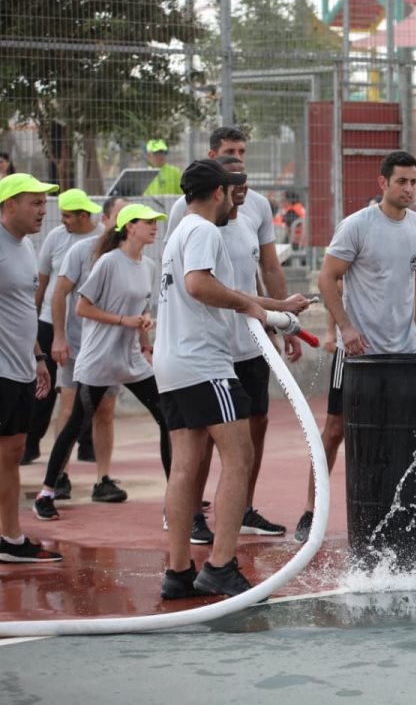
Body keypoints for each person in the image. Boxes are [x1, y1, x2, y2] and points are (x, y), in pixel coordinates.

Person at [155, 159, 308, 599]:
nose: (236, 199)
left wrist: (274, 304)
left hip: (173, 363)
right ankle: (220, 565)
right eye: (231, 190)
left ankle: (178, 571)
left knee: (185, 466)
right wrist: (249, 308)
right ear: (218, 192)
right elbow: (200, 286)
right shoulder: (204, 230)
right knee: (239, 456)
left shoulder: (179, 232)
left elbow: (213, 288)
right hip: (204, 363)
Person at [298, 150, 416, 543]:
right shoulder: (357, 226)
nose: (409, 189)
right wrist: (346, 328)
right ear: (383, 183)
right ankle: (311, 511)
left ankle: (395, 512)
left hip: (404, 353)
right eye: (402, 182)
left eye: (414, 182)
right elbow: (327, 279)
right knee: (336, 429)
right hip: (358, 355)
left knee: (404, 433)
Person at [33, 204, 173, 520]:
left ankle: (177, 497)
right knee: (75, 424)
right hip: (97, 360)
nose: (154, 227)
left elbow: (142, 309)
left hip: (131, 360)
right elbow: (82, 307)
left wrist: (144, 336)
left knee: (168, 418)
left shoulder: (149, 265)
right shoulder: (109, 262)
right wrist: (124, 320)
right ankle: (46, 494)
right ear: (128, 227)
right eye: (147, 222)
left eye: (155, 222)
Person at [0, 173, 62, 563]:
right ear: (9, 206)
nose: (43, 210)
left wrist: (38, 357)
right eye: (35, 203)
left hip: (20, 367)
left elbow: (23, 309)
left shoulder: (25, 246)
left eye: (44, 202)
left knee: (13, 453)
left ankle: (10, 538)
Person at [23, 189, 102, 466]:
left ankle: (87, 445)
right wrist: (33, 319)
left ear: (83, 216)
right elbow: (43, 282)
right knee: (44, 389)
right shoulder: (56, 238)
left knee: (89, 390)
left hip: (86, 328)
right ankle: (31, 445)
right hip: (49, 322)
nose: (62, 221)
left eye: (67, 216)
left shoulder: (102, 238)